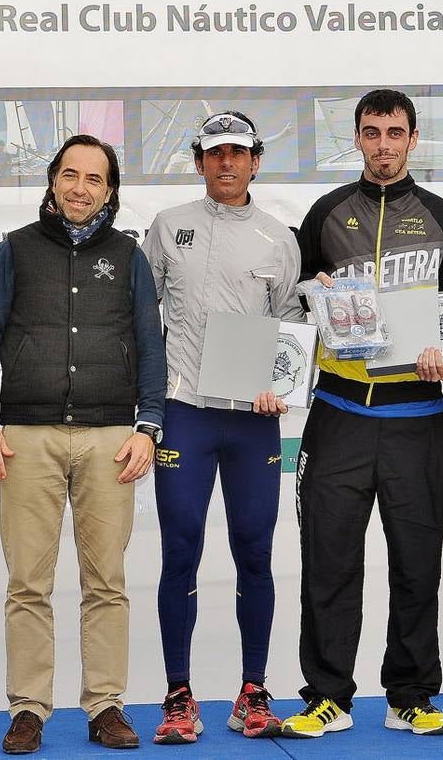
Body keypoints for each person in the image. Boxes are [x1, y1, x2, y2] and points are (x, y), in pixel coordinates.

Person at [0, 134, 167, 754]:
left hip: (111, 439)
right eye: (70, 175)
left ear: (110, 191)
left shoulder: (130, 257)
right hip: (26, 437)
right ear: (53, 180)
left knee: (106, 581)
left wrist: (148, 425)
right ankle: (28, 708)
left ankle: (105, 705)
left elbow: (151, 346)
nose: (81, 188)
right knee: (28, 583)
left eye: (95, 179)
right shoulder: (17, 252)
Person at [284, 89, 443, 739]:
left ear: (414, 139)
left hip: (418, 416)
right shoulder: (326, 213)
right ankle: (327, 697)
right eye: (372, 132)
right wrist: (316, 294)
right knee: (329, 562)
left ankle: (410, 696)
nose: (384, 144)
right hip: (339, 412)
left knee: (417, 564)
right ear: (357, 139)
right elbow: (293, 302)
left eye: (396, 132)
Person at [141, 111, 304, 744]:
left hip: (253, 422)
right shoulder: (168, 226)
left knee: (255, 553)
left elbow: (290, 329)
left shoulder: (277, 237)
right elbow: (140, 317)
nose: (227, 164)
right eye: (215, 154)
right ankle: (178, 694)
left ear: (256, 160)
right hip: (183, 413)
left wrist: (281, 385)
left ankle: (253, 691)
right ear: (200, 161)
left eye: (238, 153)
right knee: (179, 551)